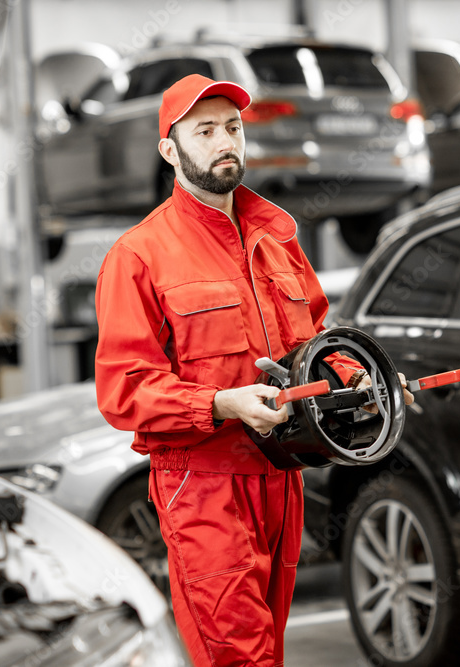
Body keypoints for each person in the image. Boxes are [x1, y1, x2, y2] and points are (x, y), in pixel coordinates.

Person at [94, 74, 409, 667]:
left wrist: (354, 380)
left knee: (270, 648)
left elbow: (314, 337)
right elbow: (123, 390)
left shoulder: (278, 233)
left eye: (233, 128)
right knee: (239, 655)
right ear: (170, 149)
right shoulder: (139, 255)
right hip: (205, 484)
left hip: (284, 476)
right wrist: (220, 404)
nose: (224, 141)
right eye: (205, 130)